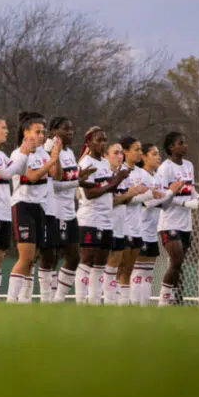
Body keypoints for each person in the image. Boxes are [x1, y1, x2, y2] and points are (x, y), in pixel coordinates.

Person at [6, 113, 61, 303]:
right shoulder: (18, 154)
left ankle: (25, 299)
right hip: (23, 206)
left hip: (39, 208)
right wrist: (52, 161)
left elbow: (57, 175)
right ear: (26, 132)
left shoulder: (43, 154)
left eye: (42, 132)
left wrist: (56, 157)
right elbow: (32, 177)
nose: (41, 135)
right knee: (26, 256)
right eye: (37, 132)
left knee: (32, 258)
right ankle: (11, 300)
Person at [157, 131, 199, 307]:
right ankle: (163, 301)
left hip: (185, 225)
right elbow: (164, 198)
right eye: (181, 143)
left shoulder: (189, 165)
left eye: (185, 142)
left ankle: (177, 300)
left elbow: (192, 191)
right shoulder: (165, 168)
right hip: (169, 223)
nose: (185, 145)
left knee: (179, 264)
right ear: (171, 147)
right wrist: (188, 205)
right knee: (175, 261)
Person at [75, 127, 128, 304]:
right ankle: (81, 300)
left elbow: (108, 189)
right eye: (98, 140)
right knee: (86, 260)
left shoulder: (105, 164)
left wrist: (115, 181)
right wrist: (116, 181)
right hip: (90, 217)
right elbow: (89, 193)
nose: (102, 143)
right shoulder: (85, 163)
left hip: (106, 219)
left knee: (100, 263)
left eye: (104, 140)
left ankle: (95, 301)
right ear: (88, 143)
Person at [44, 118, 94, 304]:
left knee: (73, 257)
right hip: (54, 209)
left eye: (72, 129)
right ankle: (46, 298)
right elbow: (54, 185)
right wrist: (78, 182)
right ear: (54, 131)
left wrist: (80, 176)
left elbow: (69, 178)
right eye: (66, 129)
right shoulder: (49, 151)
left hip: (69, 210)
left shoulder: (70, 152)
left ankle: (58, 299)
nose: (71, 132)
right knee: (52, 256)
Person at [129, 143, 179, 305]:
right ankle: (135, 307)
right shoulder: (140, 175)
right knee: (138, 272)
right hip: (140, 230)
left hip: (152, 232)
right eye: (154, 154)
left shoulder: (158, 177)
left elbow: (163, 205)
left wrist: (171, 193)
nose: (158, 157)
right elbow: (149, 203)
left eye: (159, 154)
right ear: (144, 157)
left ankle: (144, 307)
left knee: (148, 274)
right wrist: (171, 191)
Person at [103, 139, 148, 304]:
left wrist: (135, 194)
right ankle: (101, 301)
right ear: (105, 156)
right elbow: (111, 201)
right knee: (107, 268)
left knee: (123, 269)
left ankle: (119, 304)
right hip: (108, 225)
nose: (120, 156)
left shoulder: (126, 174)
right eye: (116, 153)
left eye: (121, 152)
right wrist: (132, 194)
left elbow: (126, 199)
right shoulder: (106, 172)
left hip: (125, 226)